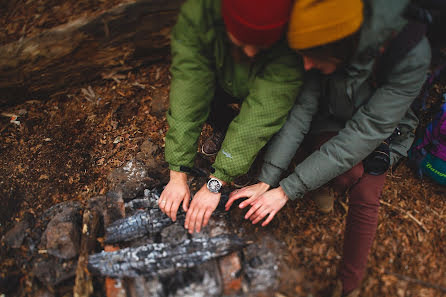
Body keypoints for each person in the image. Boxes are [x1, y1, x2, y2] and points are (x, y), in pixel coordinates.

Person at [226, 0, 431, 296]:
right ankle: (322, 182)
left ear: (341, 49)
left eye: (311, 58)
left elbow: (366, 131)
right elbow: (302, 112)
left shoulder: (409, 52)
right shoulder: (321, 37)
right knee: (345, 173)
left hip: (384, 130)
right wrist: (267, 180)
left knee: (365, 191)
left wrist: (286, 190)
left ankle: (348, 286)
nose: (306, 66)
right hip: (334, 118)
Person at [159, 0, 303, 234]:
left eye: (261, 45)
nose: (250, 52)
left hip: (262, 87)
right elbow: (189, 90)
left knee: (264, 121)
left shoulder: (292, 37)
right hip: (222, 76)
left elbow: (261, 114)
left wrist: (216, 181)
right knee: (200, 97)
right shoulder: (200, 15)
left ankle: (242, 153)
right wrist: (177, 172)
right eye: (244, 42)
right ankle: (225, 127)